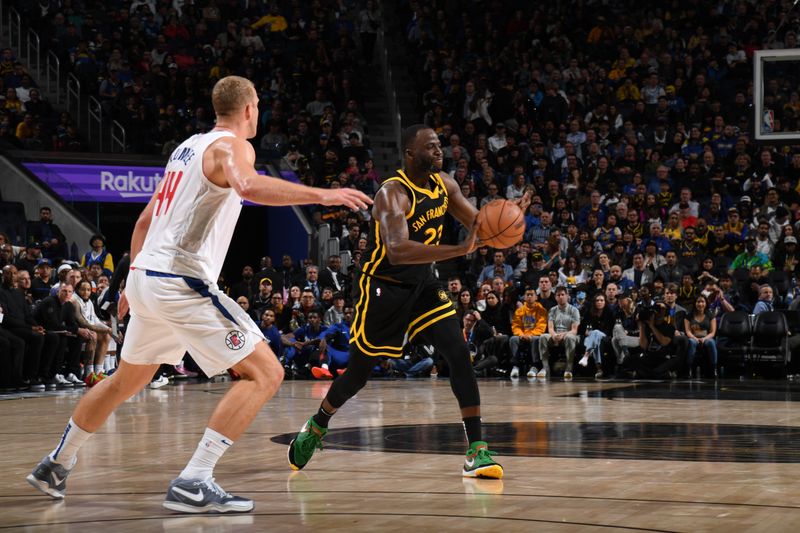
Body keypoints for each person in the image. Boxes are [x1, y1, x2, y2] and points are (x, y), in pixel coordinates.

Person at [25, 76, 371, 513]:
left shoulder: (186, 149)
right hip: (179, 279)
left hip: (151, 278)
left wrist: (133, 280)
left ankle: (56, 463)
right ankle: (195, 479)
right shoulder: (233, 146)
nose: (258, 113)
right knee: (266, 374)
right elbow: (248, 187)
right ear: (248, 109)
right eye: (258, 106)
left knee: (126, 381)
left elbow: (145, 220)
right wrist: (321, 193)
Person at [287, 124, 528, 479]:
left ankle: (477, 450)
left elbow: (478, 222)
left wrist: (509, 215)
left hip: (423, 285)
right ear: (410, 154)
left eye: (439, 146)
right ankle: (318, 424)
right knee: (357, 376)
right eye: (430, 147)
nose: (438, 151)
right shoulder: (392, 194)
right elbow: (398, 251)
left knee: (458, 352)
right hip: (382, 287)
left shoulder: (445, 184)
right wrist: (458, 250)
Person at [538, 286, 581, 380]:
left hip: (570, 335)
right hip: (556, 334)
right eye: (558, 295)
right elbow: (550, 327)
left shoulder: (574, 310)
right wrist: (554, 335)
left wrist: (563, 335)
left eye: (563, 294)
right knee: (543, 337)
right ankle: (545, 367)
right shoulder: (552, 310)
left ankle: (569, 368)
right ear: (555, 297)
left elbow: (574, 330)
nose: (561, 297)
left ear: (567, 296)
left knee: (570, 337)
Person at [684, 295, 718, 378]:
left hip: (706, 338)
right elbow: (688, 331)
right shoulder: (688, 316)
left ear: (706, 303)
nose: (700, 304)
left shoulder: (711, 316)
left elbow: (712, 332)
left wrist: (704, 338)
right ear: (695, 303)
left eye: (702, 301)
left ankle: (714, 369)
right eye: (698, 302)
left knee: (711, 342)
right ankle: (689, 369)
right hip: (693, 337)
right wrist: (695, 338)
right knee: (691, 342)